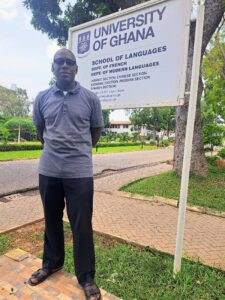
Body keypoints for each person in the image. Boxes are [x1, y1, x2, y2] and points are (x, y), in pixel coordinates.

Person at [28, 48, 103, 300]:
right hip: (48, 171)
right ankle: (52, 263)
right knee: (51, 219)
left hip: (79, 173)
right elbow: (41, 131)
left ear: (76, 69)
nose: (65, 66)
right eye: (60, 62)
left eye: (70, 62)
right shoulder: (41, 98)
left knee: (82, 225)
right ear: (53, 68)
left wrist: (76, 152)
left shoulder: (91, 99)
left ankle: (86, 277)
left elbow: (94, 135)